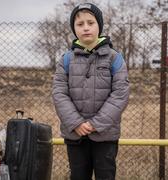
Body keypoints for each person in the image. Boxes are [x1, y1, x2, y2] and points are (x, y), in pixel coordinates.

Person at [52, 2, 129, 180]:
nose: (86, 28)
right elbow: (59, 93)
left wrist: (96, 124)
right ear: (74, 28)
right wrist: (77, 123)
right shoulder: (66, 60)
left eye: (90, 22)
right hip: (75, 134)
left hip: (105, 134)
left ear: (99, 26)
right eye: (80, 24)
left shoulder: (114, 58)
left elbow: (120, 94)